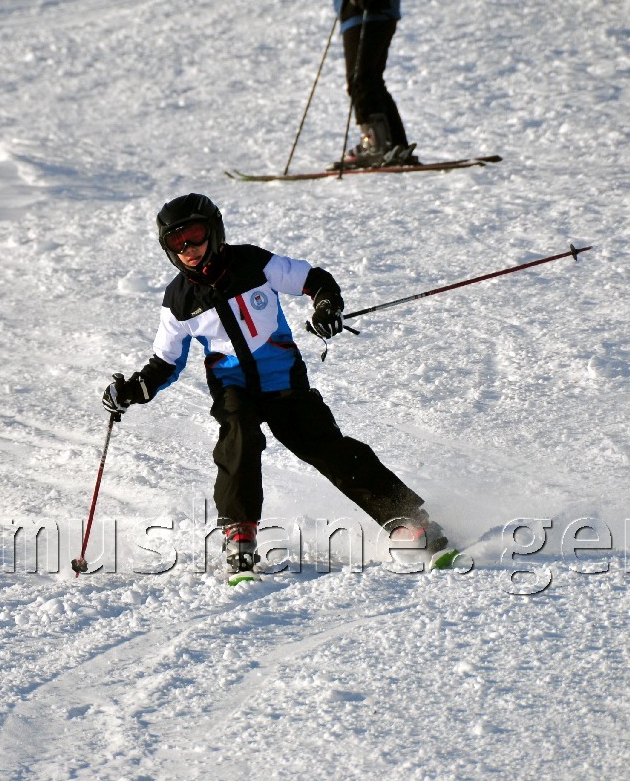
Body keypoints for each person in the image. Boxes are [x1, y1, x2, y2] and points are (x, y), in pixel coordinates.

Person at [101, 193, 457, 577]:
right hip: (233, 386)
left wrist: (326, 306)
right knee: (238, 437)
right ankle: (239, 533)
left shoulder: (253, 263)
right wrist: (134, 390)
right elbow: (166, 361)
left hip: (284, 381)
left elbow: (313, 279)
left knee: (324, 445)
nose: (189, 248)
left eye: (196, 235)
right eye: (177, 242)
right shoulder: (179, 301)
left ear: (215, 231)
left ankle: (410, 520)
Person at [326, 0, 419, 169]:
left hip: (371, 4)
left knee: (361, 79)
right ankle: (395, 146)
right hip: (357, 8)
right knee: (368, 79)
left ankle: (376, 146)